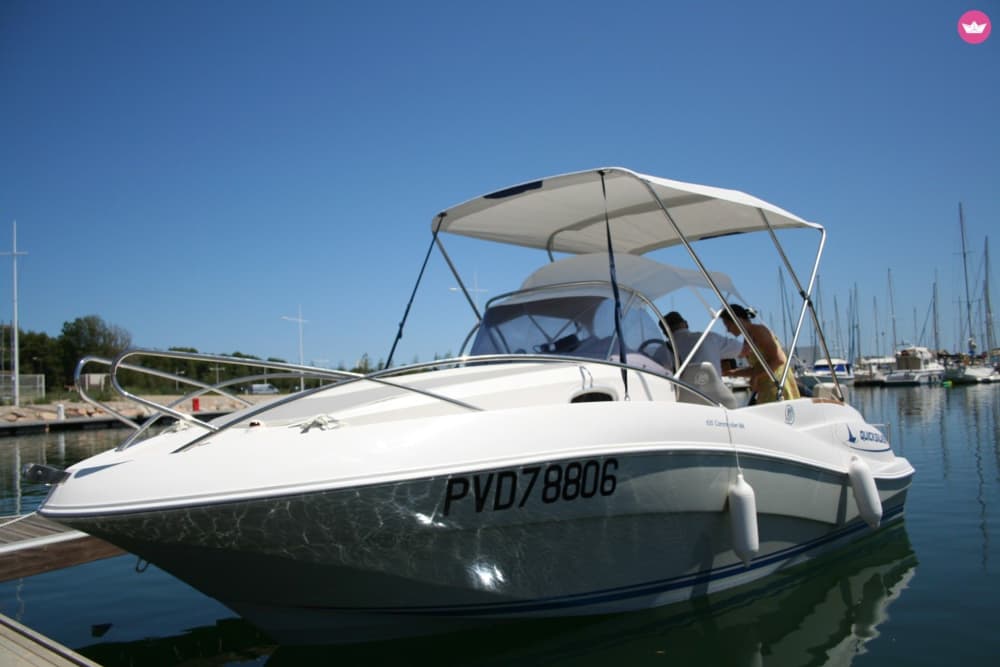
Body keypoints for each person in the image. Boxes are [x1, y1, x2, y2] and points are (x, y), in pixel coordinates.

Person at [720, 304, 800, 403]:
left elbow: (779, 360)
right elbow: (757, 368)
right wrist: (731, 373)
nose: (727, 330)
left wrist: (755, 377)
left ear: (738, 320)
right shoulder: (748, 338)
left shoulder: (758, 331)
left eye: (728, 325)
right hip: (766, 388)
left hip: (777, 386)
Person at [660, 311, 743, 376]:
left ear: (665, 333)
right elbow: (742, 349)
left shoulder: (661, 350)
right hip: (713, 395)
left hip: (682, 395)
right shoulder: (709, 337)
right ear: (686, 323)